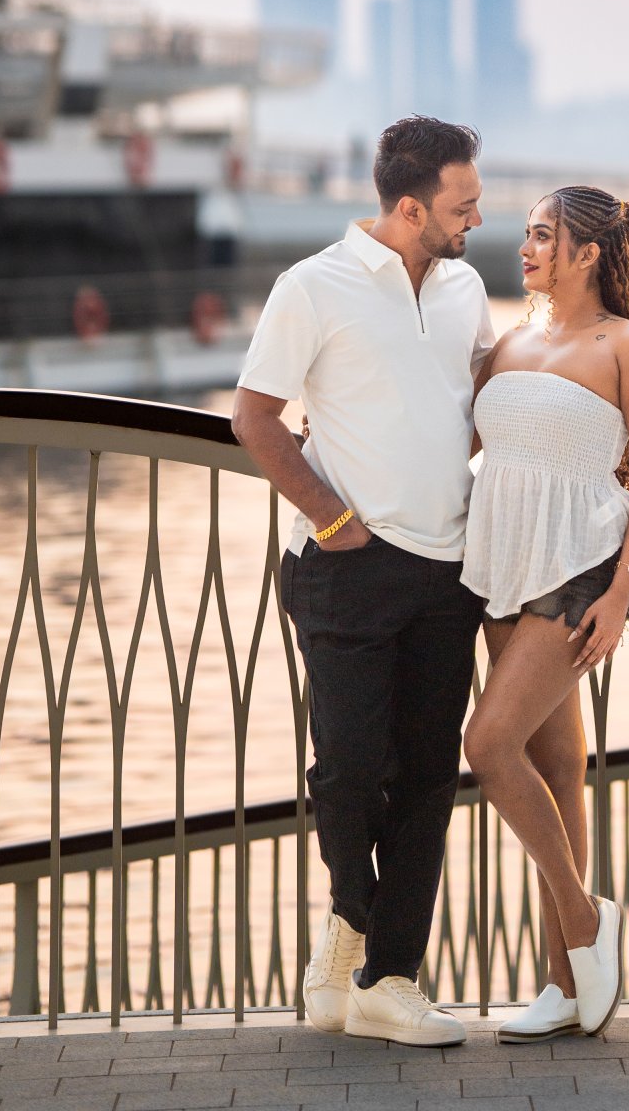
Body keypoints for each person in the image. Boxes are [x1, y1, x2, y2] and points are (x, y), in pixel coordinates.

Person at [231, 115, 492, 1046]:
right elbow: (254, 417)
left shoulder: (466, 288)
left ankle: (387, 979)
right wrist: (332, 517)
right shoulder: (314, 285)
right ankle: (353, 920)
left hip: (448, 569)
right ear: (410, 207)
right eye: (462, 205)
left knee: (427, 777)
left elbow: (475, 402)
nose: (477, 218)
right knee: (346, 770)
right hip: (347, 568)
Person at [461, 185, 629, 1040]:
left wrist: (623, 591)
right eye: (527, 234)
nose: (526, 247)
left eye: (543, 235)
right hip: (500, 565)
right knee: (553, 770)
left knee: (487, 746)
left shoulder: (628, 344)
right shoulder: (509, 342)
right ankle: (566, 986)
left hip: (580, 569)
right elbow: (454, 444)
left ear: (588, 253)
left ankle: (584, 921)